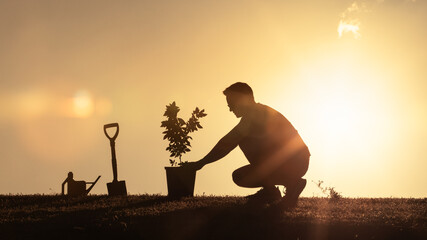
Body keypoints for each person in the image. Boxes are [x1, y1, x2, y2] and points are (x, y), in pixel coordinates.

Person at [186, 82, 310, 210]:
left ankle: (292, 183)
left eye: (231, 104)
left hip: (295, 161)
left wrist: (201, 163)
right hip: (297, 160)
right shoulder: (257, 113)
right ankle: (271, 191)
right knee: (240, 176)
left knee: (245, 141)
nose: (230, 109)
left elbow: (227, 143)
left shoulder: (255, 115)